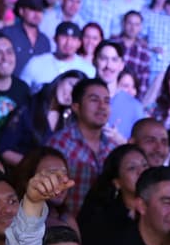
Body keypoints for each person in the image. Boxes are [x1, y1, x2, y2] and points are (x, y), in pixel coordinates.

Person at [46, 77, 119, 217]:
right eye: (94, 100)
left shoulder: (113, 148)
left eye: (106, 101)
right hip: (66, 228)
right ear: (76, 107)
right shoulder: (59, 144)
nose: (102, 106)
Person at [22, 21, 93, 93]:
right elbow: (21, 92)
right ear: (55, 39)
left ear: (79, 43)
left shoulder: (88, 70)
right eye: (64, 37)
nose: (68, 43)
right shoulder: (36, 63)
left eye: (74, 39)